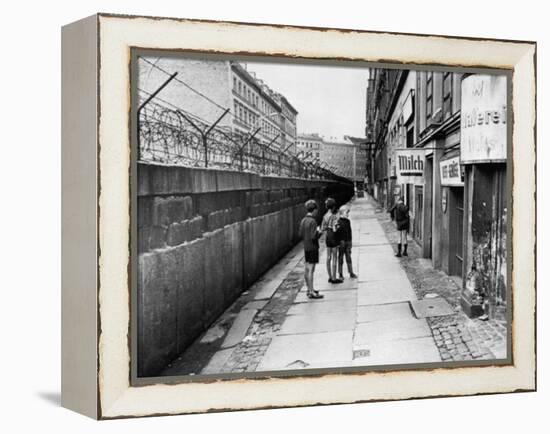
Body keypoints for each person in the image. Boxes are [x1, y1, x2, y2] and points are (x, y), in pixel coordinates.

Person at [299, 199, 324, 299]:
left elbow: (300, 234)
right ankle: (312, 291)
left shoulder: (303, 220)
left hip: (306, 247)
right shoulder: (313, 221)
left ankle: (308, 289)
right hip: (313, 247)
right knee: (311, 269)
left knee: (307, 268)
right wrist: (320, 232)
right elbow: (314, 236)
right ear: (314, 210)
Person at [322, 198, 343, 284]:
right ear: (333, 207)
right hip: (333, 237)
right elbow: (335, 228)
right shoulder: (334, 216)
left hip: (328, 237)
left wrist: (327, 227)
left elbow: (323, 228)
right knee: (334, 257)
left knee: (328, 257)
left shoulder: (325, 216)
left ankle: (329, 276)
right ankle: (334, 278)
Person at [336, 205, 358, 279]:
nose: (348, 214)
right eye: (346, 212)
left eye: (348, 212)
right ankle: (340, 273)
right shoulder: (338, 222)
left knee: (348, 257)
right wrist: (338, 243)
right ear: (341, 213)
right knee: (341, 258)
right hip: (341, 242)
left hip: (348, 241)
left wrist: (351, 241)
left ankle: (351, 272)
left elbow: (350, 231)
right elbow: (337, 234)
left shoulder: (348, 221)